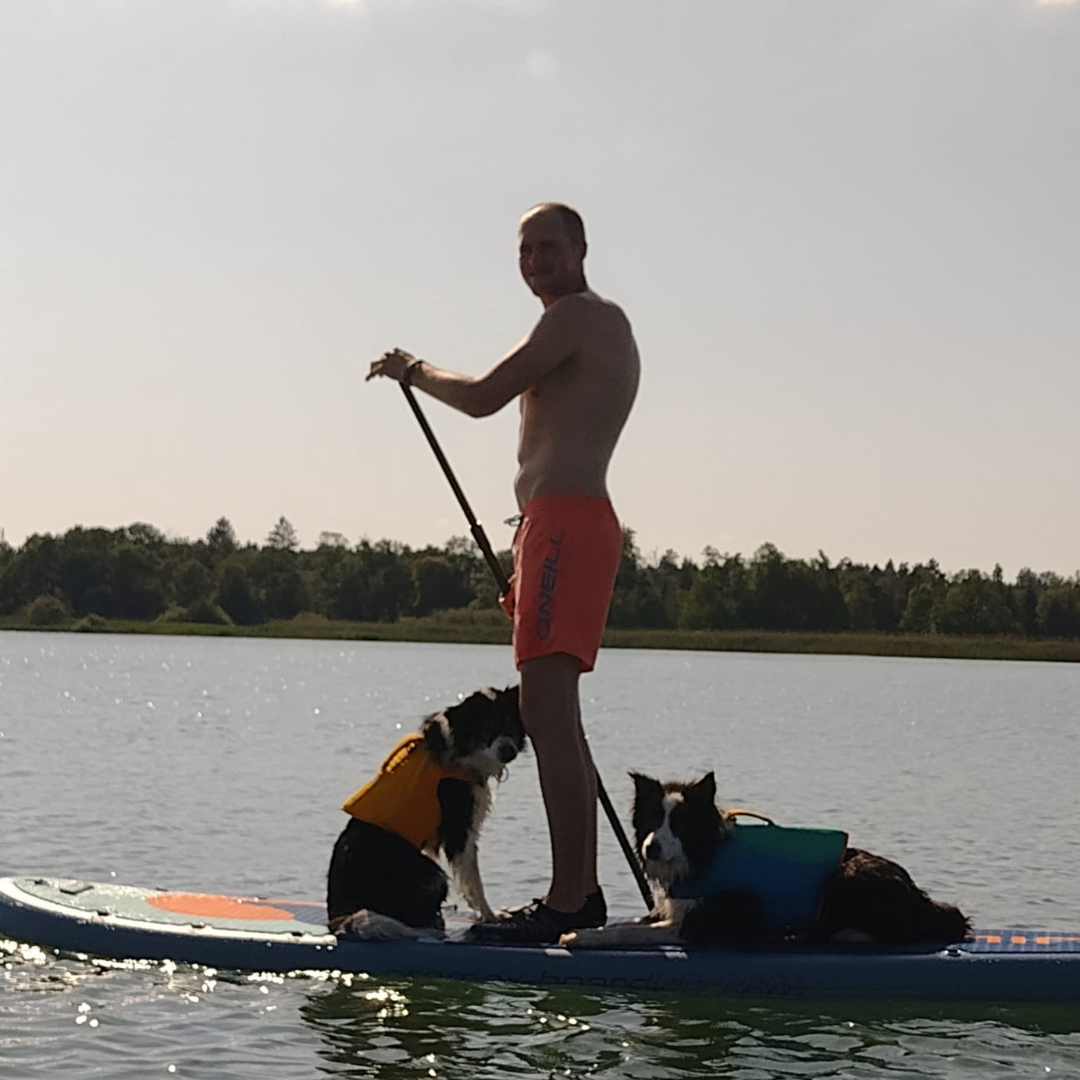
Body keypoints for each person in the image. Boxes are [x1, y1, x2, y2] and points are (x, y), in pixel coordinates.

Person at [366, 202, 640, 942]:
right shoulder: (582, 325)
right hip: (554, 529)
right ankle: (579, 894)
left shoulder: (580, 316)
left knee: (547, 717)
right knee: (555, 718)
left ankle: (570, 901)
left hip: (566, 524)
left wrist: (412, 370)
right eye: (525, 251)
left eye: (549, 246)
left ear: (581, 248)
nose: (536, 261)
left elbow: (484, 396)